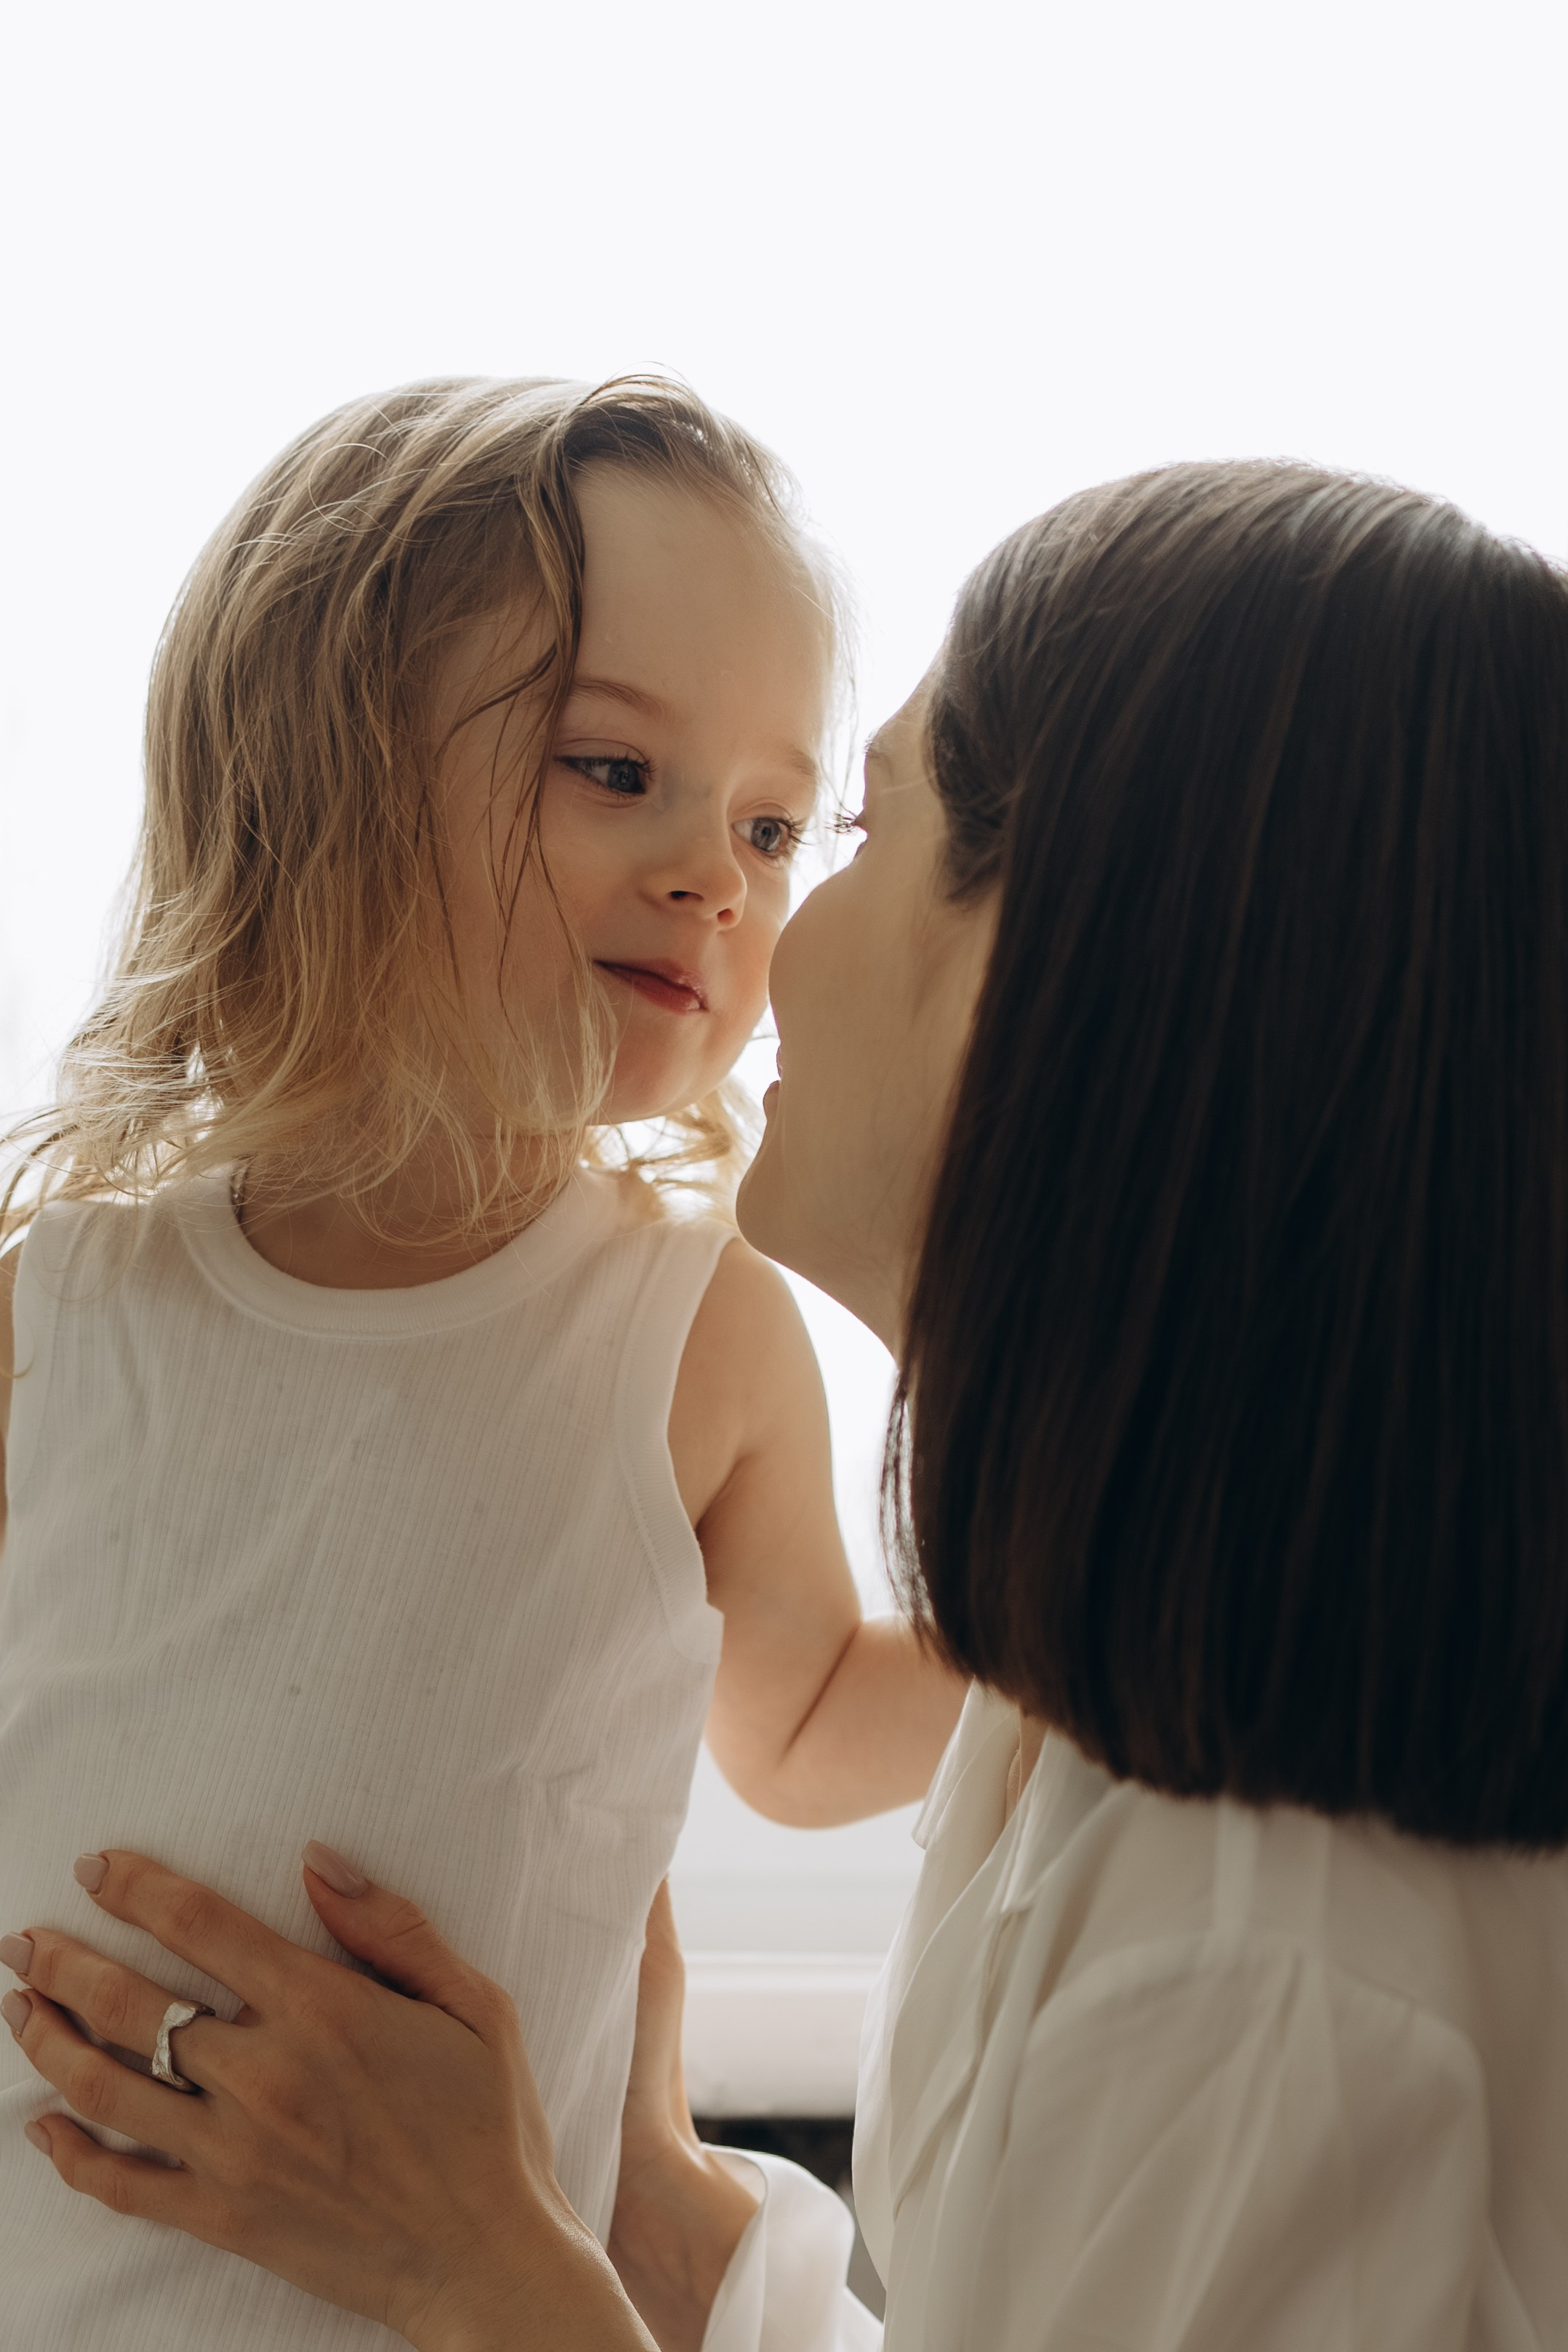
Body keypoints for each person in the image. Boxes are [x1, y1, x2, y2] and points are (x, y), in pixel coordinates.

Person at [8, 456, 1568, 2350]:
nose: (751, 913)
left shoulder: (1282, 1990)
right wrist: (657, 2223)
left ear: (1074, 971)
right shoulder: (1095, 1743)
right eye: (621, 773)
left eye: (828, 827)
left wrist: (492, 2281)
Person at [0, 374, 965, 2349]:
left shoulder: (688, 1330)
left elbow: (799, 1735)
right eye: (617, 771)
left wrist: (1074, 1616)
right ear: (321, 775)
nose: (722, 873)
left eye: (776, 825)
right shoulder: (64, 1306)